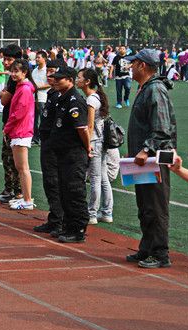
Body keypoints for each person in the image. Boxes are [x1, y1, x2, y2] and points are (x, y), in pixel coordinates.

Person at [124, 49, 177, 269]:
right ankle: (146, 248)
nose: (130, 67)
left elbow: (162, 130)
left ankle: (160, 252)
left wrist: (145, 150)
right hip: (142, 159)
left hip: (153, 159)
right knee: (145, 205)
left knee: (155, 206)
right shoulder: (146, 88)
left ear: (143, 66)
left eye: (133, 63)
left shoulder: (155, 90)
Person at [47, 66, 90, 243]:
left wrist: (88, 148)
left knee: (74, 191)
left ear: (70, 80)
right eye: (55, 78)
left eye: (60, 78)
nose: (55, 81)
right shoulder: (62, 98)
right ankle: (68, 225)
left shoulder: (75, 100)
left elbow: (82, 128)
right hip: (62, 152)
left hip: (74, 153)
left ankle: (78, 228)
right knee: (64, 190)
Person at [77, 68, 113, 225]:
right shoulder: (96, 97)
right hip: (100, 142)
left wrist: (87, 145)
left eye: (79, 77)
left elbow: (89, 126)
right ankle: (106, 212)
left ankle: (92, 213)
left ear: (87, 82)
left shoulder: (91, 100)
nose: (76, 80)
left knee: (96, 179)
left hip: (94, 142)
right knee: (103, 177)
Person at [33, 59, 64, 236]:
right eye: (49, 71)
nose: (51, 75)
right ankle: (54, 218)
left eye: (54, 71)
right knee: (49, 183)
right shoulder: (52, 94)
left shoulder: (62, 96)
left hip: (56, 147)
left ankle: (60, 221)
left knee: (56, 183)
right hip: (47, 145)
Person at [3, 59, 36, 210]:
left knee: (23, 168)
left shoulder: (24, 89)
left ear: (25, 72)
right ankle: (25, 197)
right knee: (20, 167)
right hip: (19, 131)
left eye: (17, 71)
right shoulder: (21, 87)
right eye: (12, 71)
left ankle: (28, 200)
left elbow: (19, 113)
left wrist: (7, 128)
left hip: (21, 132)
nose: (13, 74)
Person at [0, 45, 23, 202]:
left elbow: (4, 99)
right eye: (4, 59)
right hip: (8, 122)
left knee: (14, 161)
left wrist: (3, 93)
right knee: (7, 158)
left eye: (9, 59)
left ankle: (18, 191)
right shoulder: (12, 78)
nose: (6, 62)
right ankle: (9, 189)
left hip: (15, 126)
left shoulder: (17, 80)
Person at [32, 51, 50, 145]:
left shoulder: (47, 70)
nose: (37, 59)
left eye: (39, 57)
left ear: (44, 58)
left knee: (43, 119)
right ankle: (35, 138)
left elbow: (49, 84)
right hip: (34, 98)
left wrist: (38, 87)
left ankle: (44, 138)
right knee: (34, 119)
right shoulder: (35, 70)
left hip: (43, 98)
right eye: (36, 57)